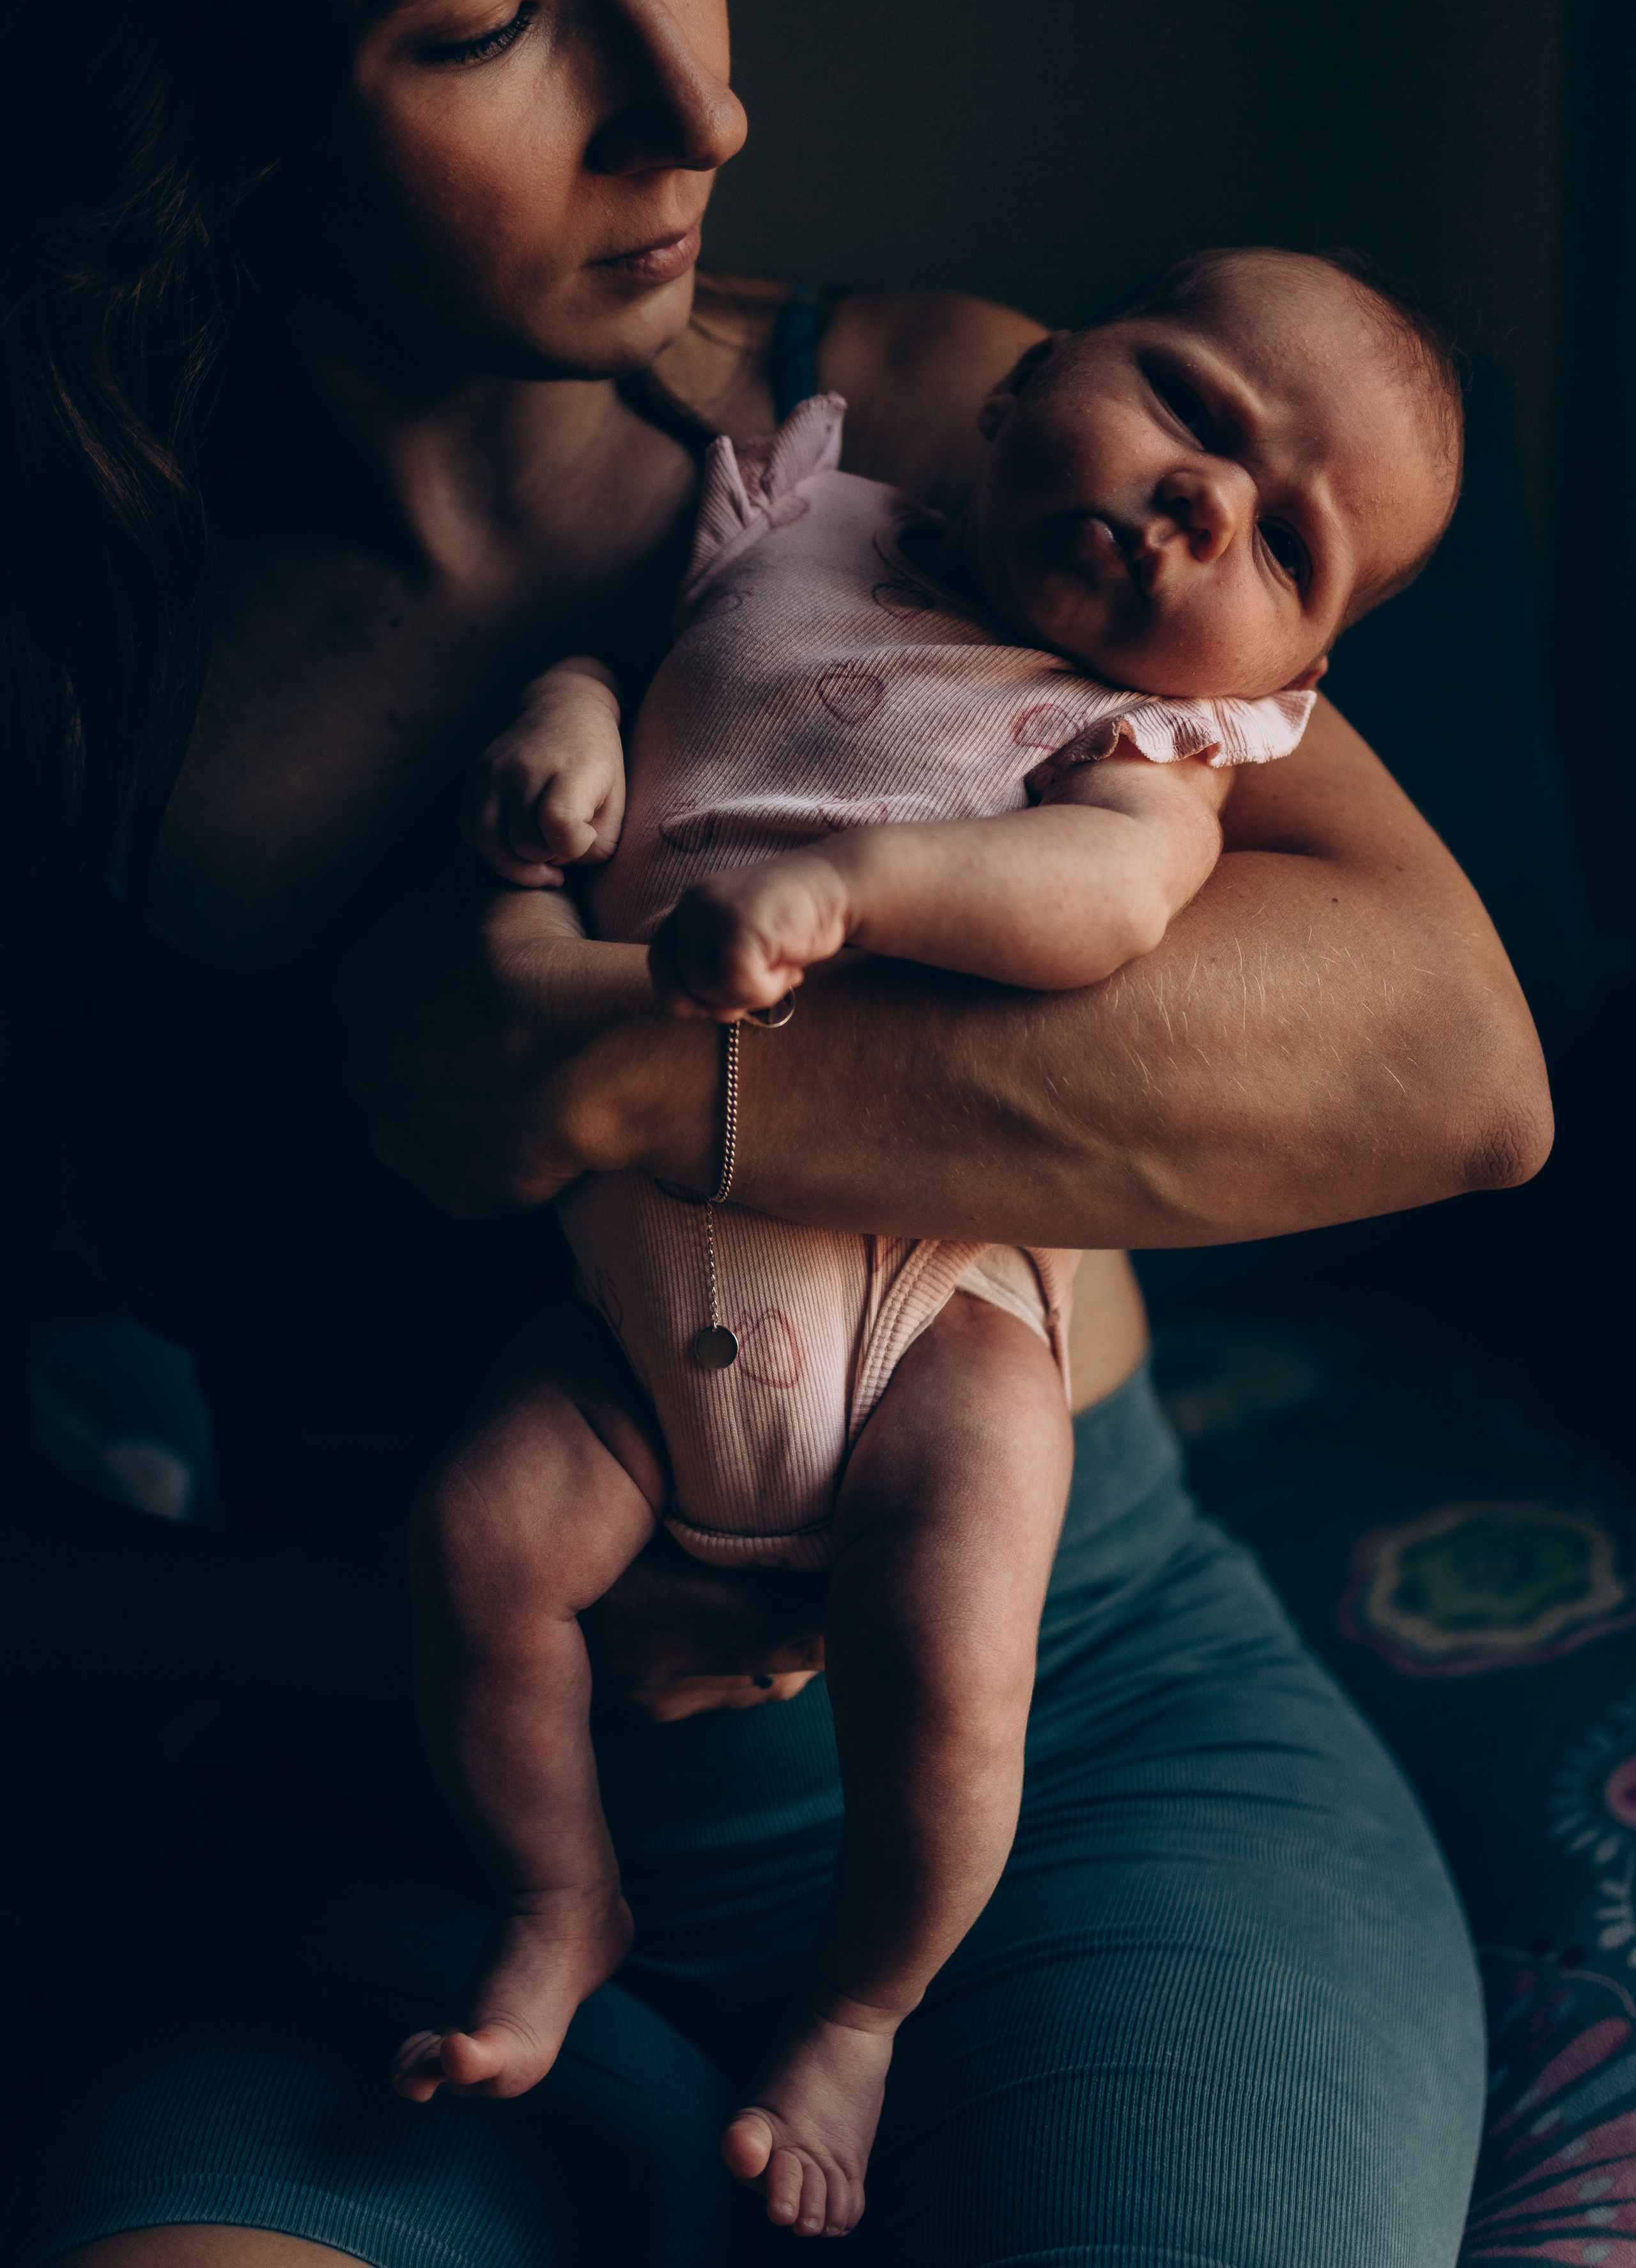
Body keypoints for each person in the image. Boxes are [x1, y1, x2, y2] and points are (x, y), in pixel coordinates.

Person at [0, 0, 1549, 2259]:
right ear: (196, 105)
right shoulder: (83, 683)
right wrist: (398, 1623)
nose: (698, 109)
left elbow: (1457, 1063)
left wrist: (623, 1072)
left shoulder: (924, 424)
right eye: (494, 19)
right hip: (410, 1858)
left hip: (1099, 1764)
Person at [399, 249, 1465, 2242]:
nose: (1204, 500)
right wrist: (567, 738)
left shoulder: (1141, 747)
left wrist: (854, 894)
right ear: (1019, 384)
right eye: (1194, 410)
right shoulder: (786, 511)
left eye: (1283, 541)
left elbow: (1100, 910)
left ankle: (866, 2004)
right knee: (479, 1541)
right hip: (632, 1325)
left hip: (927, 1319)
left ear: (1276, 679)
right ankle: (563, 1896)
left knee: (957, 1635)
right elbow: (629, 663)